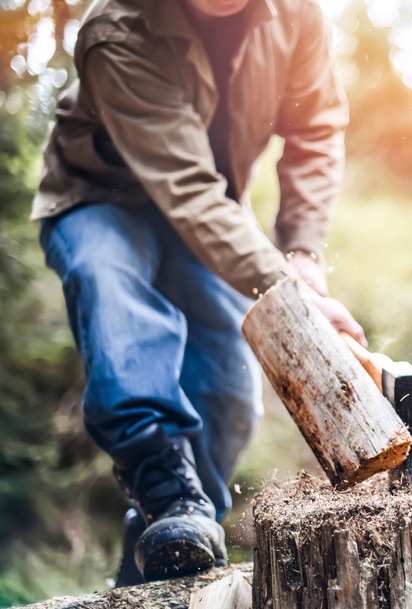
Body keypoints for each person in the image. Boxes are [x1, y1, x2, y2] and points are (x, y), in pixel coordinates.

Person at [30, 0, 365, 586]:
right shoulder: (118, 30)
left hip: (212, 215)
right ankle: (163, 484)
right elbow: (185, 186)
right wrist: (286, 289)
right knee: (113, 295)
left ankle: (173, 543)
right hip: (99, 199)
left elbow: (315, 127)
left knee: (230, 392)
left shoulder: (297, 14)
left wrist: (302, 254)